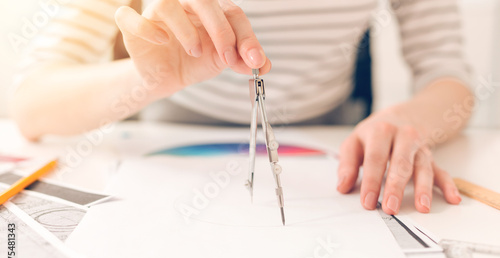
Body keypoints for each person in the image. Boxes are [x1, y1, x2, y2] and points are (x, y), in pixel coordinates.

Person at [10, 0, 473, 215]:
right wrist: (148, 78)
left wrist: (408, 120)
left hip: (329, 143)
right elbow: (31, 104)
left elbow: (450, 79)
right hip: (169, 140)